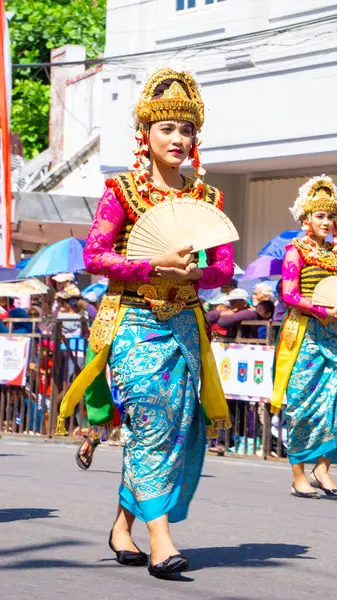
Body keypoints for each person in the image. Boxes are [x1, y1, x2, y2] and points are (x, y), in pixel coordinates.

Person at [56, 67, 234, 578]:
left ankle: (121, 525)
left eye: (187, 130)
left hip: (183, 324)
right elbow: (94, 254)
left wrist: (199, 271)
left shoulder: (208, 201)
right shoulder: (122, 192)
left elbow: (223, 268)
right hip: (132, 320)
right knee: (153, 418)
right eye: (168, 129)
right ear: (145, 134)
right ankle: (161, 540)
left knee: (172, 428)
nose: (179, 139)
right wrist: (151, 265)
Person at [271, 175, 337, 498]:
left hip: (333, 338)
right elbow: (289, 294)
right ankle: (298, 473)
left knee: (332, 404)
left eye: (331, 216)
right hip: (305, 337)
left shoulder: (335, 256)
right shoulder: (295, 252)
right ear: (306, 218)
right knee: (302, 405)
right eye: (320, 215)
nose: (327, 221)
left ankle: (323, 468)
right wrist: (325, 311)